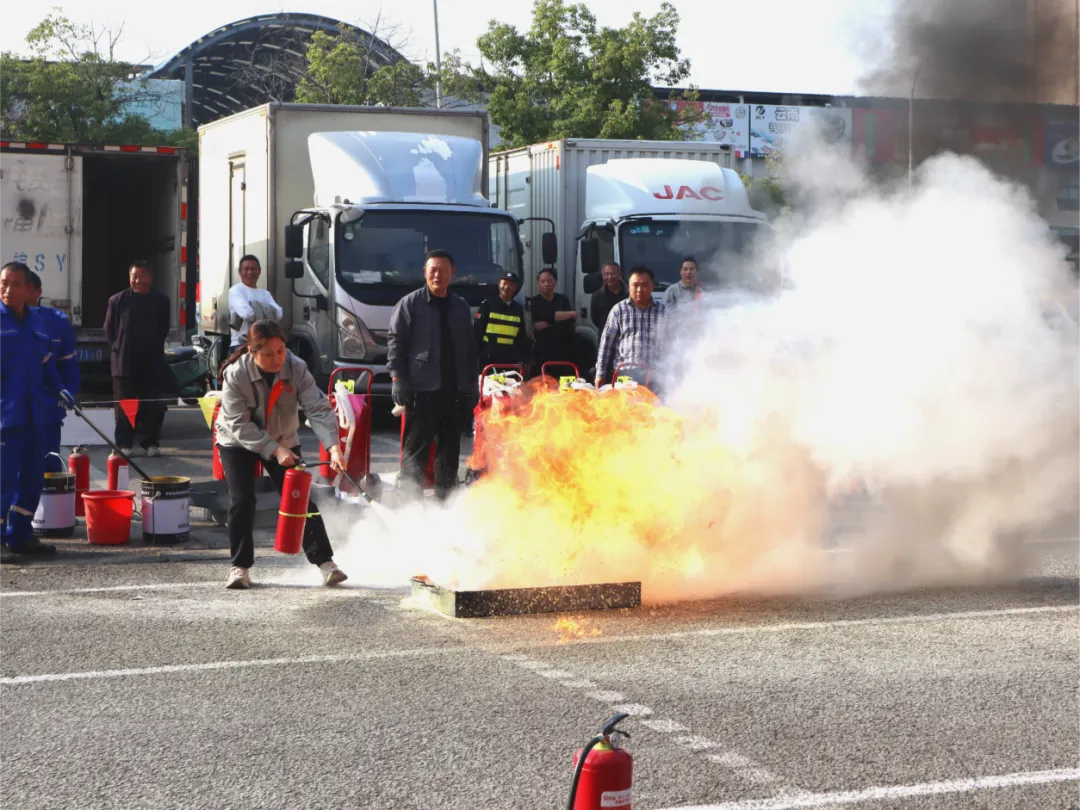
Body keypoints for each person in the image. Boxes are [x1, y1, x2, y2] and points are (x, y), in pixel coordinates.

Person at [215, 319, 348, 590]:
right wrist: (274, 450)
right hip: (237, 441)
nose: (276, 359)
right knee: (242, 500)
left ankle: (326, 564)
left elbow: (318, 408)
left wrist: (334, 447)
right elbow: (238, 423)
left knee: (300, 497)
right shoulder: (236, 374)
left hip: (283, 437)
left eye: (280, 352)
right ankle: (240, 567)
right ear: (252, 351)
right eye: (268, 354)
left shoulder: (297, 367)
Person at [388, 250, 479, 501]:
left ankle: (444, 504)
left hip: (453, 390)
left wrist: (472, 384)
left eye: (443, 270)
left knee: (449, 452)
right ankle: (409, 504)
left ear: (452, 273)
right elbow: (396, 342)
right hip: (422, 389)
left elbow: (470, 349)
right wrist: (397, 378)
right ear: (425, 272)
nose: (438, 275)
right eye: (433, 270)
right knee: (416, 450)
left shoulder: (460, 307)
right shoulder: (410, 304)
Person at [0, 262, 74, 560]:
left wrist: (61, 388)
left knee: (32, 479)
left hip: (35, 416)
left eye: (15, 284)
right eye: (3, 283)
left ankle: (20, 535)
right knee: (2, 481)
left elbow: (46, 366)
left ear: (30, 289)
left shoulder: (38, 324)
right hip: (5, 418)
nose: (7, 290)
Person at [103, 261, 171, 457]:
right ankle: (124, 443)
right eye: (135, 277)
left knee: (152, 404)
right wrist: (118, 348)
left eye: (143, 276)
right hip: (125, 361)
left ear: (151, 278)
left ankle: (150, 443)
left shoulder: (161, 301)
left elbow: (163, 328)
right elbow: (109, 329)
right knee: (125, 404)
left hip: (151, 361)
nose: (138, 281)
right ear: (129, 278)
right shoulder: (117, 300)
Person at [27, 271, 80, 473]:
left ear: (38, 292)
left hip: (47, 408)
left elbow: (67, 364)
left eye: (21, 286)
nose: (10, 291)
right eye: (5, 285)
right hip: (10, 412)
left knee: (48, 465)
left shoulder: (56, 321)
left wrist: (67, 392)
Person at [594, 266, 668, 388]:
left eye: (644, 285)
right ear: (629, 286)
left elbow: (671, 345)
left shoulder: (663, 311)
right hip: (624, 375)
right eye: (635, 285)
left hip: (654, 376)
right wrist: (600, 374)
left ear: (652, 286)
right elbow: (606, 345)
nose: (639, 289)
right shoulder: (618, 310)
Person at [474, 271, 530, 370]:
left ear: (515, 288)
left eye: (511, 284)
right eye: (504, 283)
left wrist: (525, 358)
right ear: (499, 284)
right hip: (489, 359)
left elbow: (521, 336)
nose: (506, 287)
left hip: (510, 360)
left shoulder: (517, 309)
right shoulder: (487, 305)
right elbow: (477, 332)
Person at [228, 254, 283, 352]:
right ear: (240, 271)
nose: (250, 272)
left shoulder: (265, 294)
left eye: (253, 269)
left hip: (264, 344)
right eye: (246, 269)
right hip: (242, 344)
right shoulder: (236, 290)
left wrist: (253, 306)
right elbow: (248, 314)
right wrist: (267, 310)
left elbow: (279, 313)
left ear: (259, 271)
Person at [528, 268, 576, 374]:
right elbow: (537, 324)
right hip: (543, 352)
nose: (546, 284)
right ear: (538, 283)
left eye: (549, 281)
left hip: (563, 350)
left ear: (555, 282)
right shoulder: (535, 302)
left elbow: (571, 319)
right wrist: (564, 316)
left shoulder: (562, 299)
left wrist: (549, 323)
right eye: (543, 281)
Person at [590, 262, 629, 330]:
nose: (610, 277)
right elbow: (595, 319)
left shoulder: (630, 294)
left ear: (620, 274)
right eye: (606, 274)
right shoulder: (597, 296)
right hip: (607, 333)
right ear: (603, 276)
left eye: (613, 273)